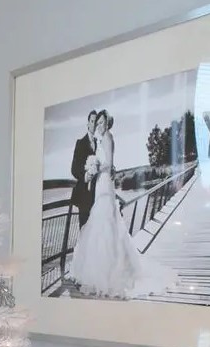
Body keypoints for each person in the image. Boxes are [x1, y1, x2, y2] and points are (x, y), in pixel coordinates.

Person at [70, 109, 172, 299]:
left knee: (106, 223)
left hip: (103, 186)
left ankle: (110, 272)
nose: (98, 125)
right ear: (89, 123)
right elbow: (76, 167)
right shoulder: (89, 141)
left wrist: (98, 167)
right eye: (95, 122)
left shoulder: (107, 137)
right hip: (93, 190)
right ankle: (97, 267)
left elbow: (109, 162)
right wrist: (89, 171)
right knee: (95, 226)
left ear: (107, 123)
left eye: (101, 122)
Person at [70, 110, 98, 228]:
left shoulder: (100, 143)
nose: (94, 124)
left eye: (96, 122)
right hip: (84, 196)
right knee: (85, 230)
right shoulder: (80, 143)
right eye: (92, 121)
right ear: (88, 123)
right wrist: (85, 176)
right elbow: (74, 168)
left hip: (97, 195)